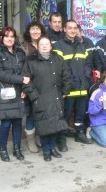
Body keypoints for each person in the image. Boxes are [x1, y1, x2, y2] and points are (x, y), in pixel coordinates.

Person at [22, 36, 72, 161]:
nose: (44, 46)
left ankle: (52, 148)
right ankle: (46, 150)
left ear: (50, 46)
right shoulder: (31, 62)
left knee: (55, 125)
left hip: (56, 98)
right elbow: (26, 81)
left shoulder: (58, 59)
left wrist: (64, 92)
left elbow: (67, 77)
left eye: (46, 44)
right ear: (38, 47)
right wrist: (34, 97)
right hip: (40, 99)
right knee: (44, 126)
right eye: (41, 44)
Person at [53, 20, 93, 151]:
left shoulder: (81, 45)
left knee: (80, 114)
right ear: (64, 29)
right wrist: (67, 83)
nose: (72, 30)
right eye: (69, 28)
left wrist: (86, 78)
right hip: (69, 89)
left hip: (82, 88)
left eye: (74, 28)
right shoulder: (59, 45)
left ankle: (79, 133)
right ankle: (61, 139)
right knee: (65, 114)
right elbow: (59, 68)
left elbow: (87, 64)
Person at [0, 26, 29, 162]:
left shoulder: (20, 52)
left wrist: (25, 89)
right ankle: (2, 149)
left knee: (18, 123)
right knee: (6, 123)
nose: (9, 39)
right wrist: (20, 79)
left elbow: (26, 71)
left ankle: (17, 148)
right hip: (5, 93)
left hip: (19, 92)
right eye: (6, 36)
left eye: (12, 36)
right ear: (2, 38)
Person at [21, 21, 47, 153]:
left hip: (44, 86)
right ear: (29, 32)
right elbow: (20, 69)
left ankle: (38, 136)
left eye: (38, 29)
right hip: (30, 86)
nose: (36, 31)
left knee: (41, 113)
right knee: (31, 113)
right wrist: (24, 88)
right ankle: (30, 140)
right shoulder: (23, 47)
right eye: (33, 29)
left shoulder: (46, 45)